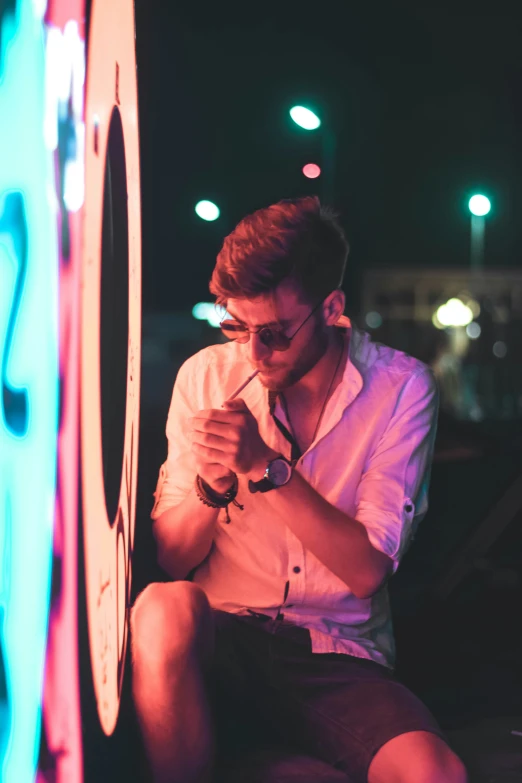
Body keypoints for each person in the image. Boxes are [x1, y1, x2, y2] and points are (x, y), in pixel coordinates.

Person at [131, 197, 468, 783]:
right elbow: (171, 559)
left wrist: (265, 469)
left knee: (434, 773)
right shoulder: (206, 375)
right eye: (238, 327)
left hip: (332, 654)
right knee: (161, 608)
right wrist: (212, 487)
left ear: (332, 307)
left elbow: (366, 571)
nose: (255, 353)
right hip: (224, 633)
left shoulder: (401, 388)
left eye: (275, 333)